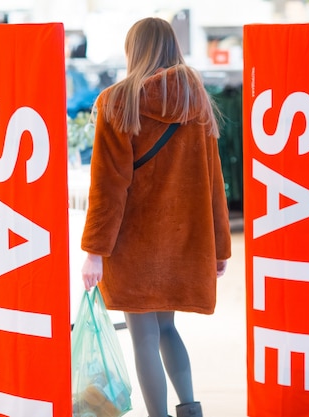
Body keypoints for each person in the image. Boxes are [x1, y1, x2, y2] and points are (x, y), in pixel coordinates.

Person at [80, 17, 232, 417]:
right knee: (167, 329)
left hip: (134, 245)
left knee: (142, 335)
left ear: (135, 50)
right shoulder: (197, 103)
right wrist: (220, 246)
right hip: (183, 244)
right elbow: (214, 182)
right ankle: (190, 410)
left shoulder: (118, 101)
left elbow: (108, 188)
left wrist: (95, 251)